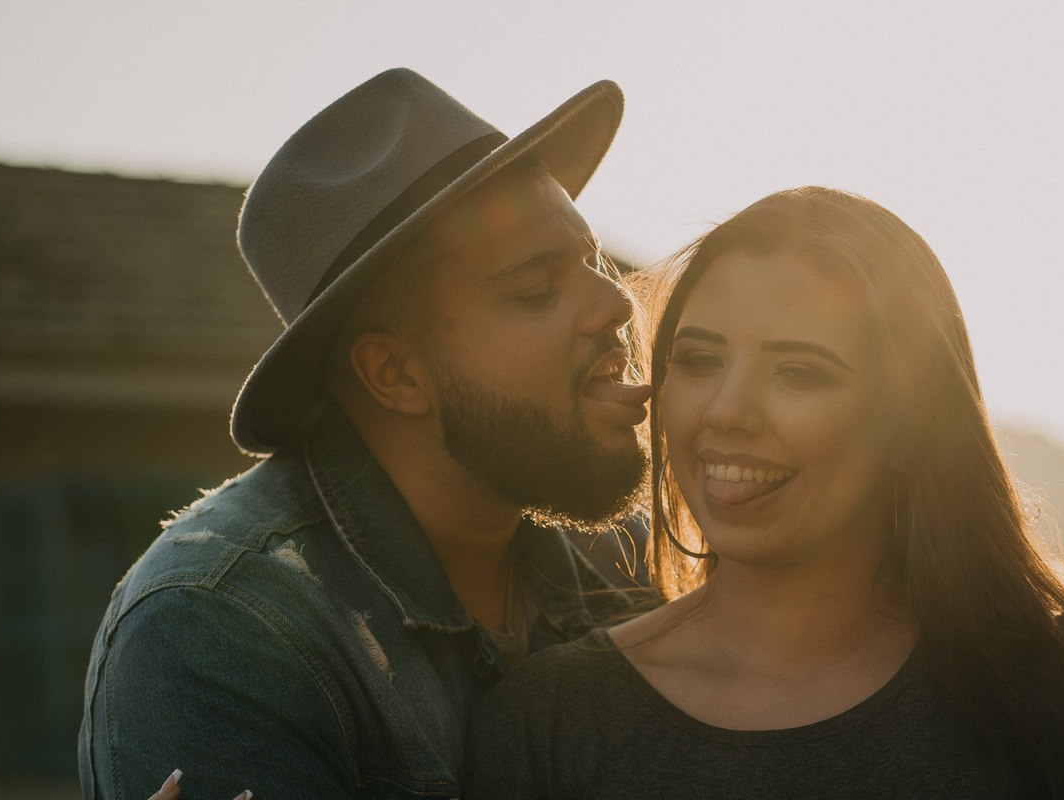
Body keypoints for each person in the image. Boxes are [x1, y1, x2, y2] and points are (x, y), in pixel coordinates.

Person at [466, 187, 1064, 798]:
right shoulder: (550, 720)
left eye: (798, 372)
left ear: (909, 421)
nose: (726, 412)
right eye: (699, 360)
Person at [78, 68, 655, 800]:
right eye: (536, 289)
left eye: (592, 261)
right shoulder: (220, 629)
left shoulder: (633, 563)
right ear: (394, 373)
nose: (614, 302)